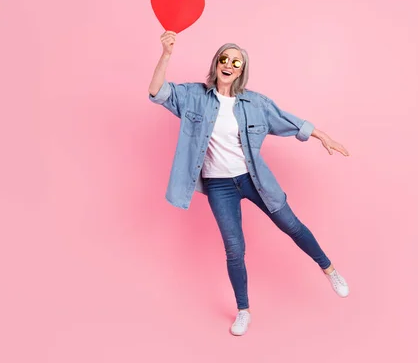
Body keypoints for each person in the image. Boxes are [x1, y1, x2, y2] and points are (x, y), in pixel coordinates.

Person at [148, 31, 350, 336]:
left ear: (241, 70)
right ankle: (243, 310)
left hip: (253, 179)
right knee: (234, 248)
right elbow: (156, 92)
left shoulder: (255, 104)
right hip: (219, 186)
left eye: (236, 62)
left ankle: (330, 270)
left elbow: (289, 120)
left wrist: (324, 136)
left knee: (291, 225)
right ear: (216, 64)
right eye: (224, 59)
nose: (229, 65)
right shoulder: (193, 96)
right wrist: (166, 54)